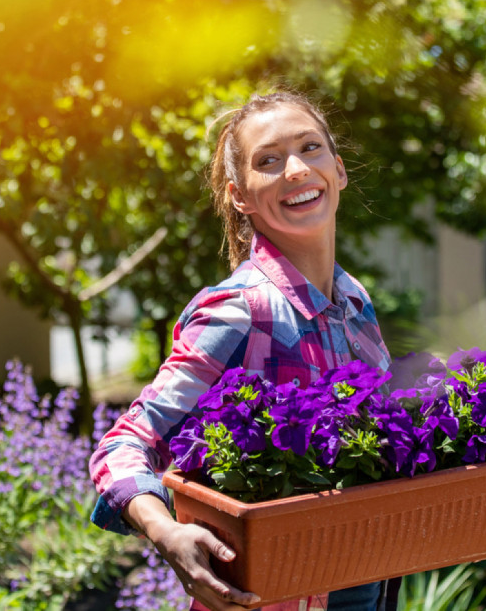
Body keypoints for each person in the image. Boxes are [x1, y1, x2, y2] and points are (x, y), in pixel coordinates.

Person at [90, 91, 395, 611]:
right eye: (268, 161)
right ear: (240, 196)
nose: (296, 170)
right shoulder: (239, 311)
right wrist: (166, 533)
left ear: (339, 171)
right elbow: (122, 446)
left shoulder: (354, 304)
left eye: (310, 148)